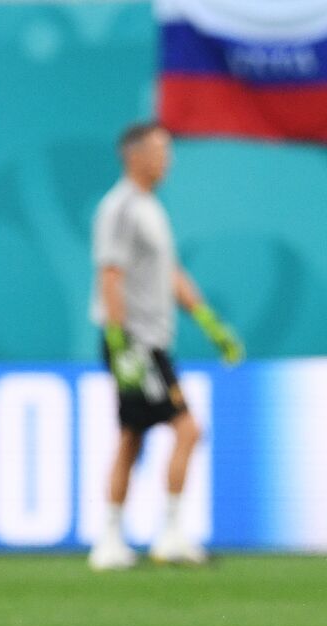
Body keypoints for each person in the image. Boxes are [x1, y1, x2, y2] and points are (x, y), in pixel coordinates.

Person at [87, 121, 244, 571]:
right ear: (135, 156)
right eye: (160, 150)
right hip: (137, 341)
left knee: (131, 437)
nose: (167, 159)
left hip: (151, 340)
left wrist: (210, 323)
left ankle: (111, 539)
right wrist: (121, 344)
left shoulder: (149, 207)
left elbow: (169, 272)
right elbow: (109, 275)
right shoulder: (119, 208)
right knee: (187, 429)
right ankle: (170, 533)